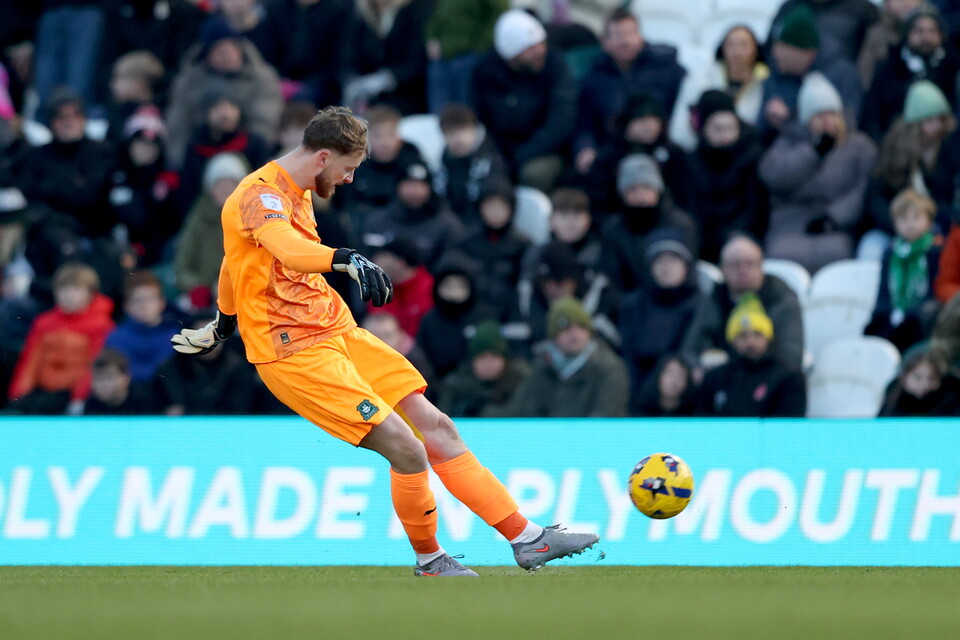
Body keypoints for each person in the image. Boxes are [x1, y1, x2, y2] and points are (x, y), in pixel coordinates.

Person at [170, 105, 599, 576]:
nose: (350, 179)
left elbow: (236, 264)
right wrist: (345, 258)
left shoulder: (299, 191)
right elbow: (288, 249)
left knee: (437, 428)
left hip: (337, 331)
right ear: (323, 157)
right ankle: (430, 559)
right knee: (407, 448)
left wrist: (223, 325)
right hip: (292, 351)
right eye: (348, 168)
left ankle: (528, 539)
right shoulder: (259, 196)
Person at [759, 72, 877, 274]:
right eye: (819, 116)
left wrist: (834, 218)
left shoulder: (859, 145)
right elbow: (774, 177)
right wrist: (812, 152)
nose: (827, 121)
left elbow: (864, 188)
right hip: (790, 224)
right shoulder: (788, 143)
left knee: (837, 258)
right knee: (781, 259)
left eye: (832, 114)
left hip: (834, 225)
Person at [470, 9, 577, 192]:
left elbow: (561, 121)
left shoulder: (555, 65)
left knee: (533, 174)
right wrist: (497, 155)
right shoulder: (485, 71)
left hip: (543, 150)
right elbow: (478, 118)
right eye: (530, 48)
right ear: (511, 55)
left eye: (541, 44)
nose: (539, 51)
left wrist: (521, 155)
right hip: (498, 151)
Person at [573, 8, 686, 174]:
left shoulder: (667, 69)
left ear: (640, 36)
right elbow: (584, 122)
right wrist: (585, 148)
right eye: (618, 35)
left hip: (660, 148)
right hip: (612, 151)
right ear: (605, 42)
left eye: (630, 33)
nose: (625, 41)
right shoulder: (594, 78)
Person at [682, 234, 805, 371]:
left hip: (770, 377)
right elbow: (692, 347)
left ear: (761, 266)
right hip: (724, 379)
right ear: (723, 269)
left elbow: (791, 353)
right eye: (735, 265)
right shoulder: (715, 297)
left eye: (750, 263)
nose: (743, 271)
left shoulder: (781, 298)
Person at [8, 262, 115, 415]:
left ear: (91, 294)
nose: (68, 295)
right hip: (43, 391)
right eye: (63, 289)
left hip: (72, 395)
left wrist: (78, 398)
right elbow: (31, 360)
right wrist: (19, 393)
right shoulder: (44, 323)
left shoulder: (102, 325)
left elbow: (93, 365)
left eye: (76, 289)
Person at [497, 296, 629, 417]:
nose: (574, 334)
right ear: (554, 336)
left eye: (580, 327)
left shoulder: (609, 369)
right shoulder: (542, 368)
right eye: (566, 329)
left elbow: (606, 417)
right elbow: (525, 411)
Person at [619, 230, 703, 410]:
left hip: (686, 400)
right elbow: (628, 357)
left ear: (686, 266)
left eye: (673, 259)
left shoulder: (700, 305)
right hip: (638, 397)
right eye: (659, 261)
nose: (666, 267)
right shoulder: (632, 305)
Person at [683, 89, 768, 263]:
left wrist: (730, 235)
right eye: (717, 129)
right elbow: (691, 207)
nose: (725, 137)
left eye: (730, 128)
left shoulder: (752, 156)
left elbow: (754, 209)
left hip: (742, 235)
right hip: (705, 239)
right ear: (704, 130)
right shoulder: (693, 161)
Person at [758, 4, 862, 143]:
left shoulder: (842, 75)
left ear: (803, 52)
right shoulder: (778, 75)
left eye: (783, 47)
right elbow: (759, 129)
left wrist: (787, 122)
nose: (775, 53)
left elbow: (847, 124)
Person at [697, 294, 807, 417]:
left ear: (768, 338)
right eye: (742, 336)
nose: (750, 342)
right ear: (732, 341)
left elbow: (789, 428)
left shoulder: (788, 378)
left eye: (757, 334)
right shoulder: (715, 379)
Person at [862, 4, 960, 141]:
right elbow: (873, 114)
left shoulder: (952, 67)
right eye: (919, 31)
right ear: (907, 34)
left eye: (932, 31)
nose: (926, 37)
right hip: (895, 142)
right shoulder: (889, 68)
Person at [669, 24, 770, 151]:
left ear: (755, 50)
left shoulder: (764, 86)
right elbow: (680, 128)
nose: (737, 51)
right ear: (722, 48)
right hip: (702, 153)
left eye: (743, 44)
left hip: (745, 154)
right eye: (731, 44)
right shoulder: (700, 81)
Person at [865, 189, 943, 351]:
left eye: (916, 217)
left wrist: (910, 314)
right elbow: (883, 292)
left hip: (919, 317)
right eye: (903, 219)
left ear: (929, 220)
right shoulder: (890, 253)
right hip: (893, 313)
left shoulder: (935, 251)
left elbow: (934, 291)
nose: (910, 224)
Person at [174, 152, 251, 312]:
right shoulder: (198, 218)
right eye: (219, 184)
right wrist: (200, 287)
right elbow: (182, 267)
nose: (225, 189)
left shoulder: (255, 217)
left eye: (231, 183)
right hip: (207, 297)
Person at [434, 103, 510, 227]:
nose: (458, 139)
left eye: (463, 131)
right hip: (451, 226)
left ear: (474, 130)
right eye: (451, 132)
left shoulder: (492, 160)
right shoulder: (445, 161)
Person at [425, 0, 507, 114]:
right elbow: (437, 15)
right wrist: (431, 38)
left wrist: (481, 48)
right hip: (442, 57)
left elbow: (498, 16)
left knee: (465, 110)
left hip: (469, 56)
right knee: (439, 111)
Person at [437, 319, 531, 418]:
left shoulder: (519, 380)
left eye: (493, 357)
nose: (488, 363)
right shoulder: (457, 385)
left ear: (504, 359)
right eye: (482, 358)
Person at [105, 270, 182, 386]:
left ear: (161, 303)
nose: (145, 305)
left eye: (150, 299)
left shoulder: (177, 336)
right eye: (137, 300)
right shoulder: (116, 338)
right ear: (127, 306)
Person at [82, 348, 156, 415]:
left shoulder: (146, 401)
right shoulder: (91, 404)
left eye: (109, 378)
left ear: (126, 378)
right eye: (97, 378)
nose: (102, 384)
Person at [632, 353, 698, 417]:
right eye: (670, 373)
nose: (674, 381)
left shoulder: (695, 413)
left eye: (680, 376)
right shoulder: (640, 409)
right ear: (658, 375)